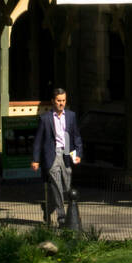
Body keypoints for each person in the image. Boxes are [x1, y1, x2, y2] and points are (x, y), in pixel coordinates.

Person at [31, 87, 83, 227]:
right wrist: (35, 159)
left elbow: (76, 136)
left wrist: (78, 153)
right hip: (51, 155)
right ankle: (62, 218)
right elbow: (38, 141)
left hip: (66, 153)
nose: (61, 103)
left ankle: (47, 208)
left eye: (64, 100)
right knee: (57, 187)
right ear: (53, 101)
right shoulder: (45, 118)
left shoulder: (71, 116)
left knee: (67, 187)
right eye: (59, 101)